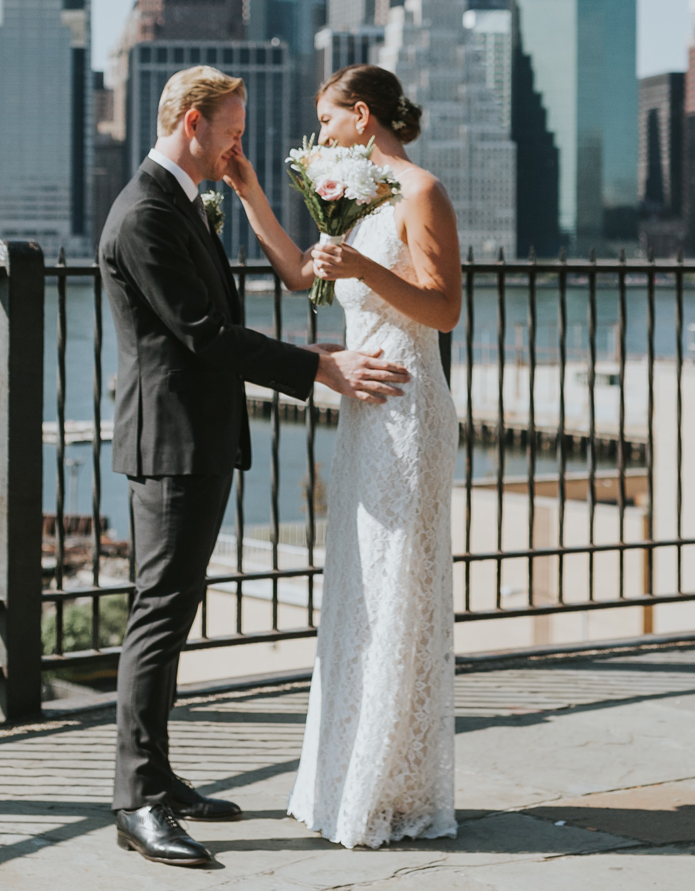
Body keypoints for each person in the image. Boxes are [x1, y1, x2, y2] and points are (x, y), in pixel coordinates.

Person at [99, 65, 412, 868]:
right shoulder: (144, 213)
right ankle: (136, 801)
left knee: (174, 609)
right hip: (171, 443)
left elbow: (209, 330)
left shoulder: (180, 202)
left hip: (197, 435)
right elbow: (203, 332)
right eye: (233, 129)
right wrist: (318, 371)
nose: (242, 144)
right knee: (158, 614)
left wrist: (301, 354)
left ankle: (159, 779)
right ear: (193, 123)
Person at [224, 63, 462, 849]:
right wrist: (254, 194)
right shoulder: (354, 199)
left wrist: (364, 267)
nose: (321, 135)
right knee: (360, 592)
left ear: (361, 116)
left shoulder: (421, 192)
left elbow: (445, 308)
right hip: (361, 415)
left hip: (409, 413)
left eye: (327, 121)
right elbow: (302, 276)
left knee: (400, 591)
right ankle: (348, 774)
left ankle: (394, 786)